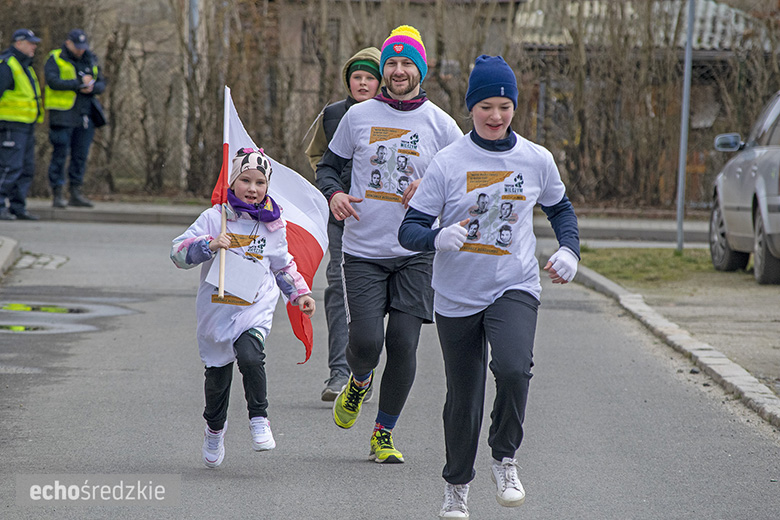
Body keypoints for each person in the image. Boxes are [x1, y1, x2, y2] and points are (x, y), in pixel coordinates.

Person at [397, 55, 580, 518]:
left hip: (514, 284)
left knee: (515, 369)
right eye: (486, 107)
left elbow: (561, 209)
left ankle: (504, 457)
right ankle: (456, 486)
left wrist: (569, 251)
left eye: (504, 106)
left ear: (514, 106)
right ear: (470, 109)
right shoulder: (448, 161)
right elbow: (409, 229)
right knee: (464, 397)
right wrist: (437, 235)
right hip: (457, 294)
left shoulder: (536, 159)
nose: (496, 116)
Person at [315, 24, 463, 464]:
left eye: (406, 64)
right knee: (365, 343)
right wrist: (335, 194)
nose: (398, 71)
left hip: (415, 251)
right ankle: (359, 381)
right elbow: (328, 168)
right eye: (391, 63)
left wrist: (429, 184)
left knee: (403, 342)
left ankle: (383, 433)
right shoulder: (358, 117)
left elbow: (463, 187)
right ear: (384, 70)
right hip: (363, 249)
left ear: (420, 70)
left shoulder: (441, 124)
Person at [171, 148, 316, 468]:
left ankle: (259, 418)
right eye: (245, 180)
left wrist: (300, 294)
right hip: (217, 308)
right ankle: (214, 428)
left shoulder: (275, 225)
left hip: (254, 306)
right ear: (233, 182)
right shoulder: (214, 218)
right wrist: (209, 245)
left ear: (267, 186)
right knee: (217, 380)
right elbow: (177, 254)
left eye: (260, 182)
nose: (252, 188)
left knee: (251, 356)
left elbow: (283, 266)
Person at [304, 46, 381, 401]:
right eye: (357, 77)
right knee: (339, 285)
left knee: (379, 294)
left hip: (385, 218)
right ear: (348, 81)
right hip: (341, 214)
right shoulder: (333, 114)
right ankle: (339, 372)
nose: (362, 83)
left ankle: (367, 369)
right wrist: (333, 190)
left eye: (369, 78)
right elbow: (317, 155)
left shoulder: (395, 116)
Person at [44, 29, 107, 209]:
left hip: (85, 116)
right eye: (77, 47)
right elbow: (53, 81)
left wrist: (92, 87)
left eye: (82, 47)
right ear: (68, 43)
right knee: (60, 154)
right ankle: (57, 193)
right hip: (63, 116)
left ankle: (76, 193)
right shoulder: (56, 58)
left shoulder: (90, 59)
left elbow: (102, 83)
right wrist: (78, 85)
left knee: (80, 156)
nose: (80, 50)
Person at [0, 29, 43, 221]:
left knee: (26, 168)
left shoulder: (25, 65)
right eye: (30, 43)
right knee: (9, 167)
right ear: (18, 43)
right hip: (10, 124)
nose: (34, 46)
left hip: (26, 125)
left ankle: (18, 206)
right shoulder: (7, 64)